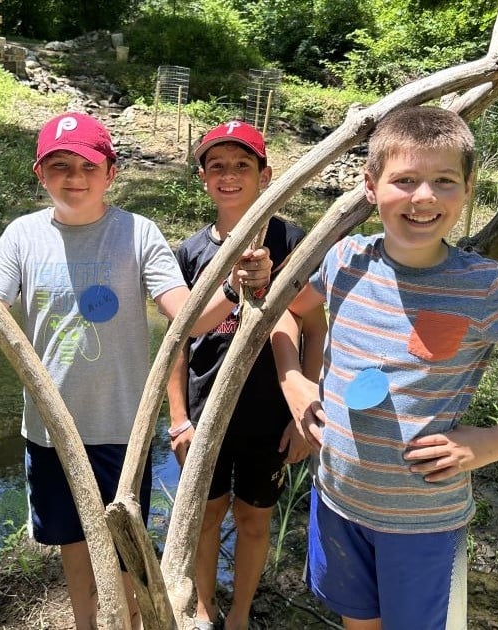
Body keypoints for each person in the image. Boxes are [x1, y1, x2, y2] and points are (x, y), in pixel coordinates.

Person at [0, 112, 274, 630]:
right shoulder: (23, 237)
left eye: (87, 164)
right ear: (40, 174)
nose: (74, 177)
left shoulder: (137, 233)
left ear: (111, 172)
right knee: (75, 554)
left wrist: (237, 286)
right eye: (59, 165)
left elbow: (190, 320)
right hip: (50, 434)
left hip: (121, 435)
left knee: (127, 561)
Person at [270, 105, 498, 630]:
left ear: (469, 188)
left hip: (422, 522)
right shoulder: (346, 259)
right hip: (337, 499)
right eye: (404, 180)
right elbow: (288, 318)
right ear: (370, 185)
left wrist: (494, 442)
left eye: (444, 180)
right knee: (357, 622)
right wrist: (293, 379)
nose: (424, 196)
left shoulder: (488, 287)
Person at [166, 121, 327, 630]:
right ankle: (205, 608)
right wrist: (177, 419)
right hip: (205, 411)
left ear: (266, 175)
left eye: (242, 165)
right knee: (206, 516)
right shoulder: (191, 253)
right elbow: (177, 342)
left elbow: (313, 323)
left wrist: (307, 411)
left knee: (255, 519)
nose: (229, 176)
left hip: (269, 415)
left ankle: (238, 616)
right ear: (202, 177)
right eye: (217, 166)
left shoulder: (292, 243)